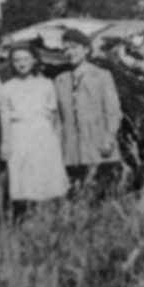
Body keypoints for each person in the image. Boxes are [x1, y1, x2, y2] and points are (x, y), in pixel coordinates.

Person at [0, 43, 69, 215]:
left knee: (45, 173)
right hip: (19, 133)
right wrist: (6, 143)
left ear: (34, 60)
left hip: (42, 133)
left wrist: (56, 140)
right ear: (11, 63)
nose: (21, 63)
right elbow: (5, 118)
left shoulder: (46, 84)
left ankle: (47, 215)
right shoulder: (7, 87)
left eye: (25, 59)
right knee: (22, 176)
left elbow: (54, 116)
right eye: (16, 60)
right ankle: (24, 216)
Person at [54, 28, 123, 192]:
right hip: (70, 150)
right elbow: (58, 118)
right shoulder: (60, 80)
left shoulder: (102, 75)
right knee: (75, 196)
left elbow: (113, 111)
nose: (69, 52)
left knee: (100, 196)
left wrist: (109, 137)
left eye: (74, 47)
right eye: (66, 49)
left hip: (99, 146)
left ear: (86, 49)